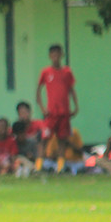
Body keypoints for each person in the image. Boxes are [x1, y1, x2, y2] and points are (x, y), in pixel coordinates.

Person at [36, 44, 78, 174]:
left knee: (62, 139)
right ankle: (38, 166)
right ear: (50, 56)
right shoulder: (46, 72)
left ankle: (60, 166)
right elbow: (38, 91)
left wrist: (75, 106)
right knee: (44, 139)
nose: (55, 57)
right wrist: (43, 108)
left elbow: (71, 90)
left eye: (58, 54)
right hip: (51, 113)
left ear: (62, 55)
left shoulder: (67, 72)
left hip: (64, 112)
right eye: (53, 54)